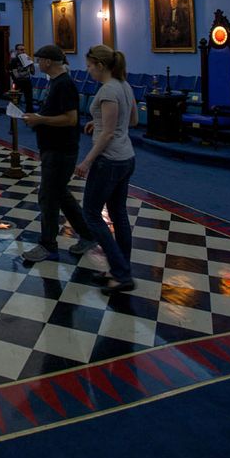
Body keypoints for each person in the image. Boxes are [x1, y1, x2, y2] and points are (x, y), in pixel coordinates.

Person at [74, 44, 138, 295]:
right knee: (118, 213)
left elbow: (109, 132)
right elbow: (131, 120)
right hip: (126, 157)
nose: (88, 70)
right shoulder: (124, 85)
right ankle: (119, 269)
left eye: (90, 66)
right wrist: (97, 120)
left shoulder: (109, 90)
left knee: (91, 214)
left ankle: (121, 274)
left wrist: (87, 160)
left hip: (108, 160)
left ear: (100, 65)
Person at [22, 44, 95, 262]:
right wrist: (37, 118)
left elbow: (71, 119)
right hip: (52, 147)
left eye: (39, 60)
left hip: (61, 149)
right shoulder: (55, 83)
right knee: (59, 194)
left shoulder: (64, 84)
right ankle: (88, 234)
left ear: (48, 62)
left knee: (47, 196)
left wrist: (40, 119)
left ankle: (48, 245)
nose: (36, 63)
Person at [9, 43, 35, 112]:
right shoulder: (14, 61)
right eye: (21, 50)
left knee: (29, 101)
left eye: (24, 49)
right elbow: (16, 75)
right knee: (15, 101)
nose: (23, 51)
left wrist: (31, 63)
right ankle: (14, 117)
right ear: (17, 51)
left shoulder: (27, 58)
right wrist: (27, 72)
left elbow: (33, 72)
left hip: (27, 82)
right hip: (18, 82)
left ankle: (30, 116)